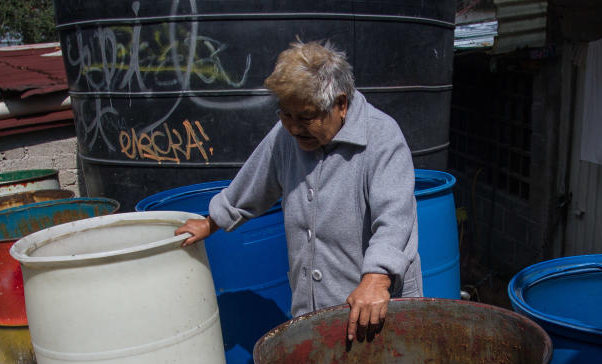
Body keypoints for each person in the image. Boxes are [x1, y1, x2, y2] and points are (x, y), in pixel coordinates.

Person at [175, 39, 422, 342]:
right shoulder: (287, 136)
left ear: (341, 104)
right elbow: (254, 181)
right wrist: (212, 221)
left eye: (305, 117)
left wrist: (377, 278)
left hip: (374, 312)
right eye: (285, 115)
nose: (293, 128)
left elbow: (395, 218)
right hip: (314, 309)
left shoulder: (382, 138)